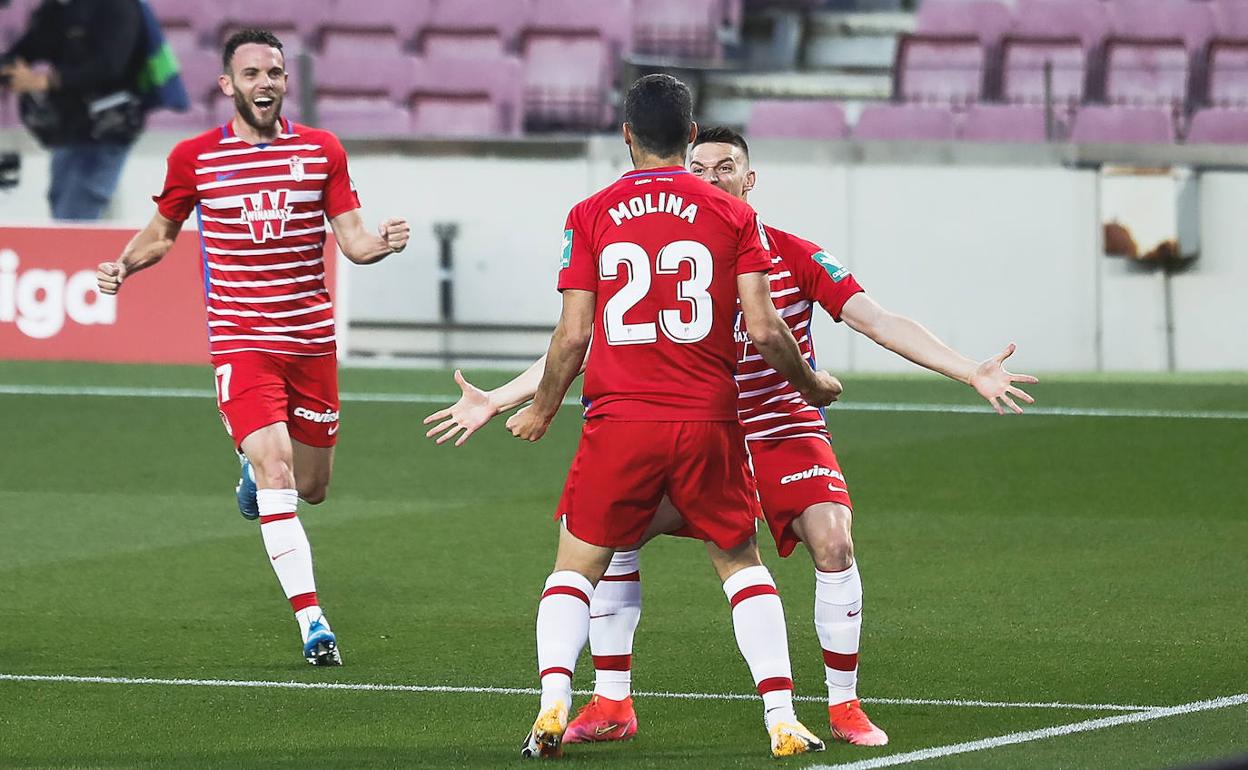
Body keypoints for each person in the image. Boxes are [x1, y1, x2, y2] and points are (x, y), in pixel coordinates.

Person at [425, 126, 1037, 747]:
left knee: (833, 542)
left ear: (750, 179)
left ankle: (844, 705)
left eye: (726, 167)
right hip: (709, 429)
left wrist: (968, 369)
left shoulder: (793, 253)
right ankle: (613, 702)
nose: (712, 177)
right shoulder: (674, 248)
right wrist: (499, 397)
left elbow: (876, 320)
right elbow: (598, 342)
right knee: (615, 539)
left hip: (778, 426)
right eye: (700, 167)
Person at [494, 74, 840, 760]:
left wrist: (541, 409)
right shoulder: (731, 214)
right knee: (739, 562)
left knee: (576, 566)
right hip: (708, 419)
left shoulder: (589, 213)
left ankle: (554, 700)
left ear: (626, 135)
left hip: (619, 419)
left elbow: (573, 334)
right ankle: (780, 716)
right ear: (690, 135)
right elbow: (765, 328)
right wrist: (810, 382)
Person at [94, 29, 410, 666]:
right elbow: (162, 232)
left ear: (286, 81)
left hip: (311, 342)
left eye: (274, 72)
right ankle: (313, 622)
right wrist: (125, 265)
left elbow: (351, 239)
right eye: (251, 73)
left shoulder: (321, 150)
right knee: (278, 470)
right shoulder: (194, 158)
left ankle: (251, 470)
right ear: (227, 85)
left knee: (312, 487)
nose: (265, 83)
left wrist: (382, 243)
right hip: (242, 341)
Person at [1, 0, 145, 220]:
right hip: (68, 130)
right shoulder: (58, 9)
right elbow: (29, 49)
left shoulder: (116, 6)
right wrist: (11, 71)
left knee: (75, 213)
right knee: (64, 207)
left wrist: (46, 81)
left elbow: (110, 66)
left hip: (106, 129)